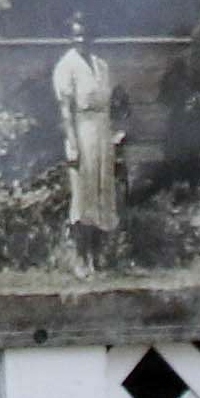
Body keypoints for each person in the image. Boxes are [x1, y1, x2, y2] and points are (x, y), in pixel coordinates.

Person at [51, 23, 125, 271]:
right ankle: (81, 259)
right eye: (77, 35)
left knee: (104, 191)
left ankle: (98, 257)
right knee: (84, 193)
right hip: (82, 131)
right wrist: (73, 145)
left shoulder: (101, 66)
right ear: (71, 38)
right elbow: (65, 110)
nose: (82, 39)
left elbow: (113, 101)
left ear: (93, 37)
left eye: (86, 34)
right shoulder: (66, 66)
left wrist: (116, 132)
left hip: (102, 130)